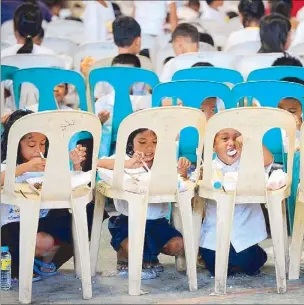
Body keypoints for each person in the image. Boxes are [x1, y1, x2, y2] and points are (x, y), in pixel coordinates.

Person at [0, 109, 86, 281]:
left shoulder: (47, 166)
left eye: (43, 144)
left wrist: (76, 166)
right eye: (31, 145)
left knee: (84, 213)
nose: (38, 150)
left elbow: (70, 188)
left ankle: (44, 262)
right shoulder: (8, 165)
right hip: (12, 229)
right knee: (38, 240)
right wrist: (25, 168)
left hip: (42, 222)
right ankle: (26, 265)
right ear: (15, 144)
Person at [98, 128, 190, 278]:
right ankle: (125, 255)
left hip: (157, 223)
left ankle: (148, 258)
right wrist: (127, 164)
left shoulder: (164, 163)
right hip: (128, 221)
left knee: (178, 245)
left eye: (155, 142)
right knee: (133, 246)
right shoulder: (122, 159)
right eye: (142, 142)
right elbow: (99, 164)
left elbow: (180, 182)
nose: (149, 148)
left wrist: (183, 171)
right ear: (130, 143)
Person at [199, 128, 273, 276]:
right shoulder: (208, 168)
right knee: (216, 267)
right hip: (215, 235)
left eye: (237, 138)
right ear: (214, 147)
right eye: (225, 139)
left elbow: (268, 160)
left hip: (245, 234)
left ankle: (255, 256)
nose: (232, 143)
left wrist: (250, 140)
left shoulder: (249, 164)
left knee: (249, 263)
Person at [95, 54, 151, 128]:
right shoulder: (102, 102)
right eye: (117, 74)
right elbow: (94, 131)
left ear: (137, 76)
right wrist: (100, 122)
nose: (121, 78)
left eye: (127, 75)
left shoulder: (148, 101)